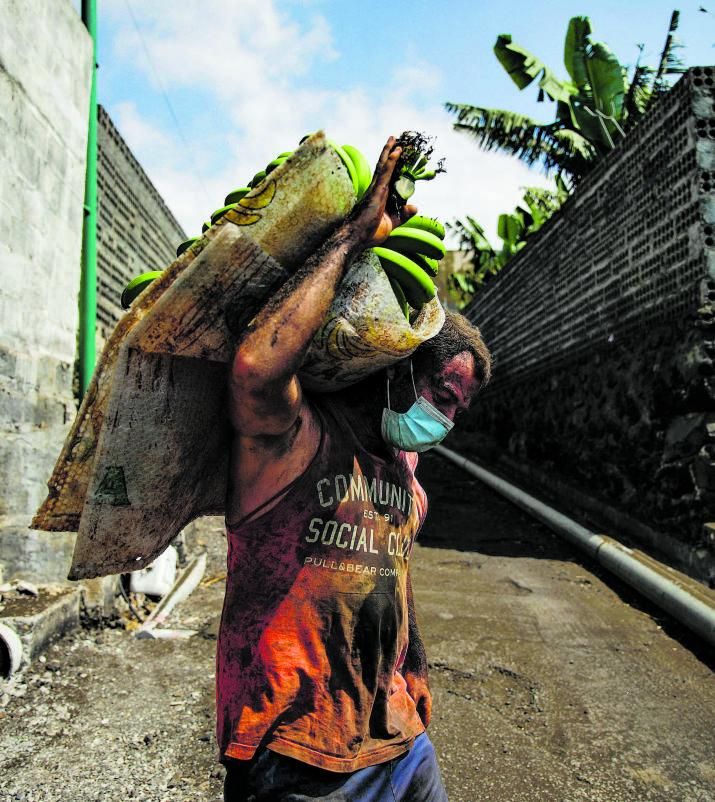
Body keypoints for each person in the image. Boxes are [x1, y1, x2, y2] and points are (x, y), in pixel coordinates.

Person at [218, 136, 492, 801]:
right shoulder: (292, 439)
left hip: (399, 741)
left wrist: (416, 671)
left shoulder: (405, 480)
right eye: (442, 397)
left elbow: (393, 577)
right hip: (296, 751)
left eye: (459, 410)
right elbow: (255, 369)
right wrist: (354, 237)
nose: (444, 421)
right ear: (398, 369)